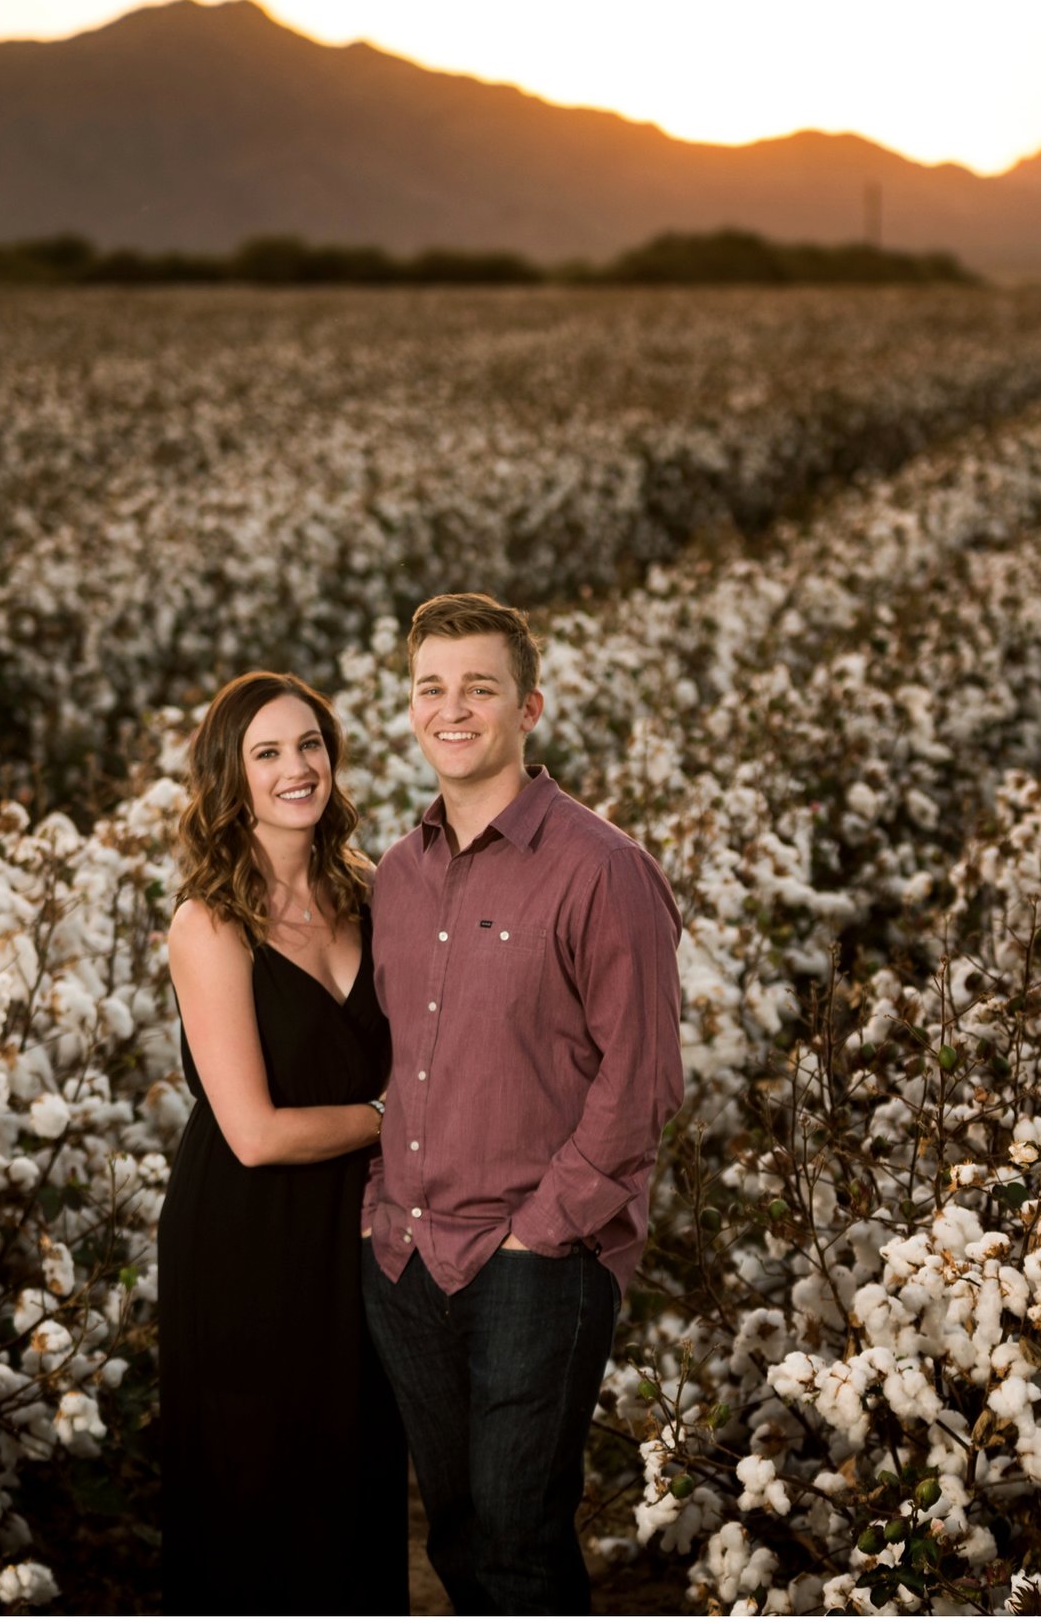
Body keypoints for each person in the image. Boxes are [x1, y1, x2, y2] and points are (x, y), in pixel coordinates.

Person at [360, 592, 686, 1613]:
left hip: (532, 1264)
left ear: (530, 705)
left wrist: (539, 1233)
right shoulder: (395, 874)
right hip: (405, 1254)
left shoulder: (602, 867)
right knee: (457, 1536)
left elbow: (642, 1082)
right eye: (431, 687)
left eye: (480, 688)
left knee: (518, 1542)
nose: (451, 709)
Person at [157, 670, 408, 1615]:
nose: (296, 768)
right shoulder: (209, 923)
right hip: (243, 1241)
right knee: (258, 1501)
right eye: (267, 752)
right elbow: (255, 1134)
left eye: (309, 745)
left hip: (359, 1236)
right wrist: (393, 1120)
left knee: (357, 1483)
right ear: (232, 776)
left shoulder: (374, 890)